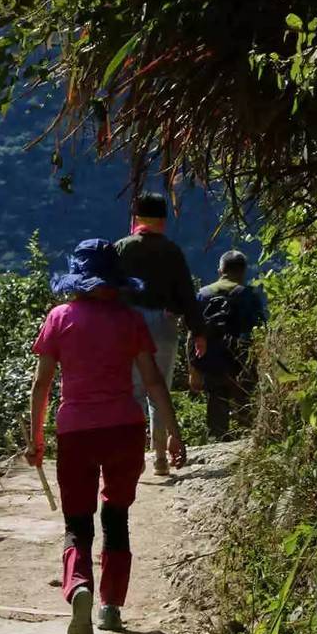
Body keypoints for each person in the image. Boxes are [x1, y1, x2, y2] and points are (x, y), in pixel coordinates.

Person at [26, 238, 186, 634]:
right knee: (116, 516)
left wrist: (36, 438)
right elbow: (153, 381)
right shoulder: (130, 320)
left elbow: (42, 385)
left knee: (78, 522)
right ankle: (110, 605)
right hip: (124, 430)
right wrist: (173, 432)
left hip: (76, 432)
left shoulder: (59, 318)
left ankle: (79, 585)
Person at [115, 192, 207, 476]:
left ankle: (133, 456)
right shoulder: (172, 251)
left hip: (128, 324)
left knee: (133, 391)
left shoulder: (121, 247)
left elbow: (109, 289)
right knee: (159, 389)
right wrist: (198, 332)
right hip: (164, 323)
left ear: (135, 218)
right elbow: (187, 294)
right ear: (163, 220)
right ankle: (160, 458)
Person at [188, 249, 267, 440]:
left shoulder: (203, 294)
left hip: (211, 363)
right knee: (246, 412)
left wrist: (194, 370)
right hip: (241, 364)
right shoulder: (248, 296)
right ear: (243, 271)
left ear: (220, 270)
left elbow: (193, 334)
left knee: (216, 414)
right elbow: (260, 333)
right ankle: (247, 445)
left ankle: (216, 443)